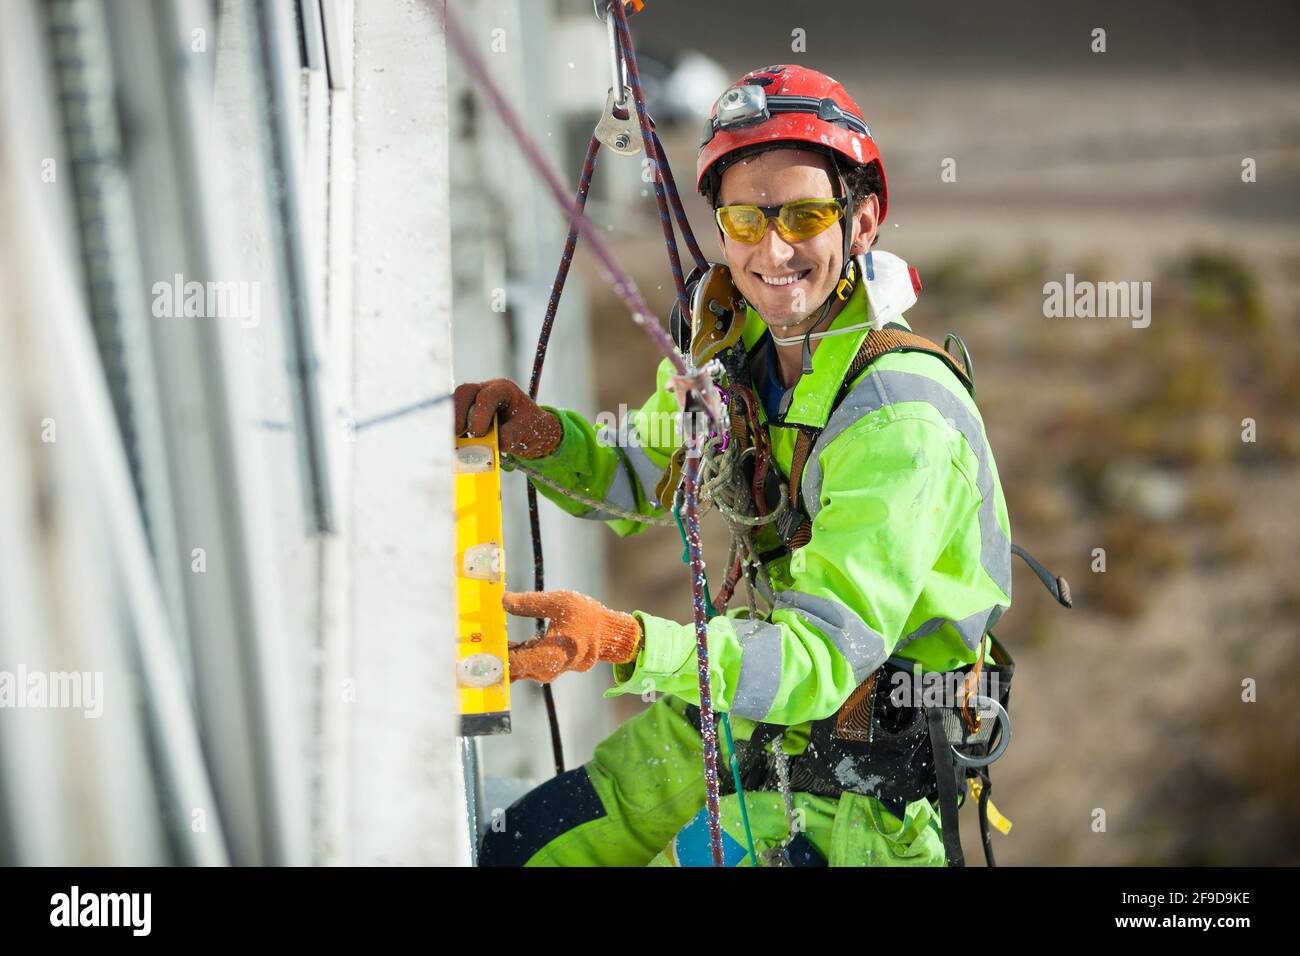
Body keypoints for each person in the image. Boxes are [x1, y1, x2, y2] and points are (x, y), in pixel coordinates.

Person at [460, 64, 1013, 867]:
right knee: (521, 850)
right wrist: (539, 436)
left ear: (862, 225)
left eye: (806, 215)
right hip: (746, 712)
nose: (774, 247)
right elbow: (640, 476)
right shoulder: (732, 342)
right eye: (746, 220)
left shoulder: (896, 415)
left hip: (860, 796)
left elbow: (821, 656)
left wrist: (625, 642)